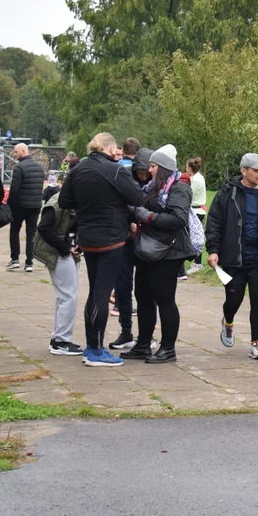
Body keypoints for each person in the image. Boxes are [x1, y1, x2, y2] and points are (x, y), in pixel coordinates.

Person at [59, 132, 143, 367]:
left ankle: (91, 346)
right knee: (102, 293)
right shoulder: (116, 170)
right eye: (115, 151)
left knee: (95, 291)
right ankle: (95, 350)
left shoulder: (78, 170)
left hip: (88, 237)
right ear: (109, 149)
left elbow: (64, 201)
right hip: (112, 238)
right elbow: (136, 196)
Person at [121, 144, 194, 364]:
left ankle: (168, 348)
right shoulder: (153, 187)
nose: (149, 170)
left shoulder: (179, 188)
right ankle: (143, 344)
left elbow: (178, 219)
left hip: (168, 253)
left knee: (165, 300)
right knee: (143, 297)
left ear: (162, 167)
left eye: (153, 166)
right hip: (147, 250)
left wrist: (148, 217)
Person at [207, 152, 258, 360]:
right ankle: (228, 322)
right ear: (243, 171)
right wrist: (213, 250)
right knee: (233, 299)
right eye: (256, 170)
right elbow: (214, 222)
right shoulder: (227, 193)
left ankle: (255, 343)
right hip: (233, 258)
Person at [109, 148, 154, 350]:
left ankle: (147, 334)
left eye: (147, 172)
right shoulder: (127, 180)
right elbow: (118, 206)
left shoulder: (157, 185)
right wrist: (129, 223)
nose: (144, 176)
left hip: (147, 243)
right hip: (127, 241)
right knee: (123, 287)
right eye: (141, 172)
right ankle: (126, 331)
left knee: (146, 291)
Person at [35, 190, 84, 357]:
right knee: (69, 296)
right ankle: (61, 341)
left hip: (65, 251)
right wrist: (63, 248)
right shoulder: (57, 204)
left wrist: (77, 245)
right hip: (58, 253)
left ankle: (59, 338)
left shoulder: (71, 200)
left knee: (66, 295)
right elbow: (43, 228)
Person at [6, 143, 44, 272]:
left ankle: (15, 259)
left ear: (23, 151)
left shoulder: (19, 168)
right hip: (35, 206)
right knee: (31, 234)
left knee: (14, 230)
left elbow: (14, 190)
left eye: (16, 152)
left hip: (20, 206)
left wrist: (10, 206)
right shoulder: (39, 168)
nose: (15, 154)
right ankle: (29, 262)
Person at [186, 157, 207, 274]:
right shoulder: (197, 177)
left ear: (189, 168)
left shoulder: (195, 180)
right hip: (196, 210)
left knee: (195, 238)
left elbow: (189, 194)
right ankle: (195, 262)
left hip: (196, 211)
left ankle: (198, 263)